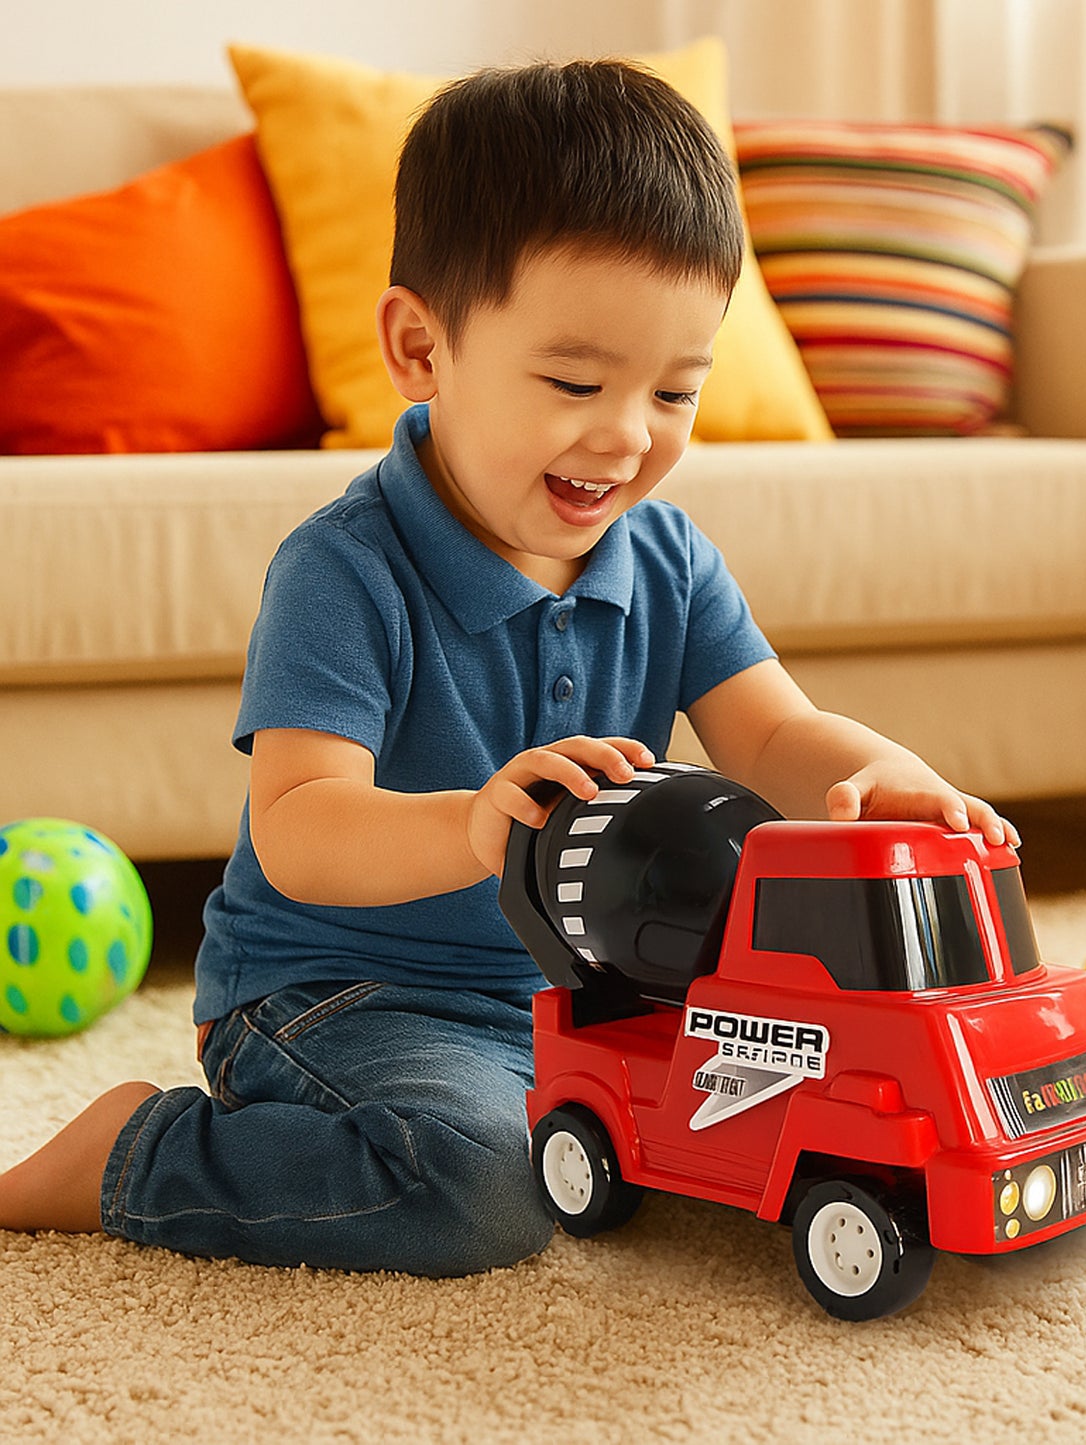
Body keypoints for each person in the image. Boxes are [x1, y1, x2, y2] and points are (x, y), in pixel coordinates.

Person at [0, 58, 1017, 1275]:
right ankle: (138, 1150)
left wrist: (892, 780)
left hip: (598, 993)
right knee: (484, 1186)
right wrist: (473, 824)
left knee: (803, 1094)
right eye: (576, 382)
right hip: (341, 994)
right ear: (422, 349)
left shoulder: (665, 556)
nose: (627, 434)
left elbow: (775, 735)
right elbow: (301, 828)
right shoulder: (345, 569)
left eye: (675, 390)